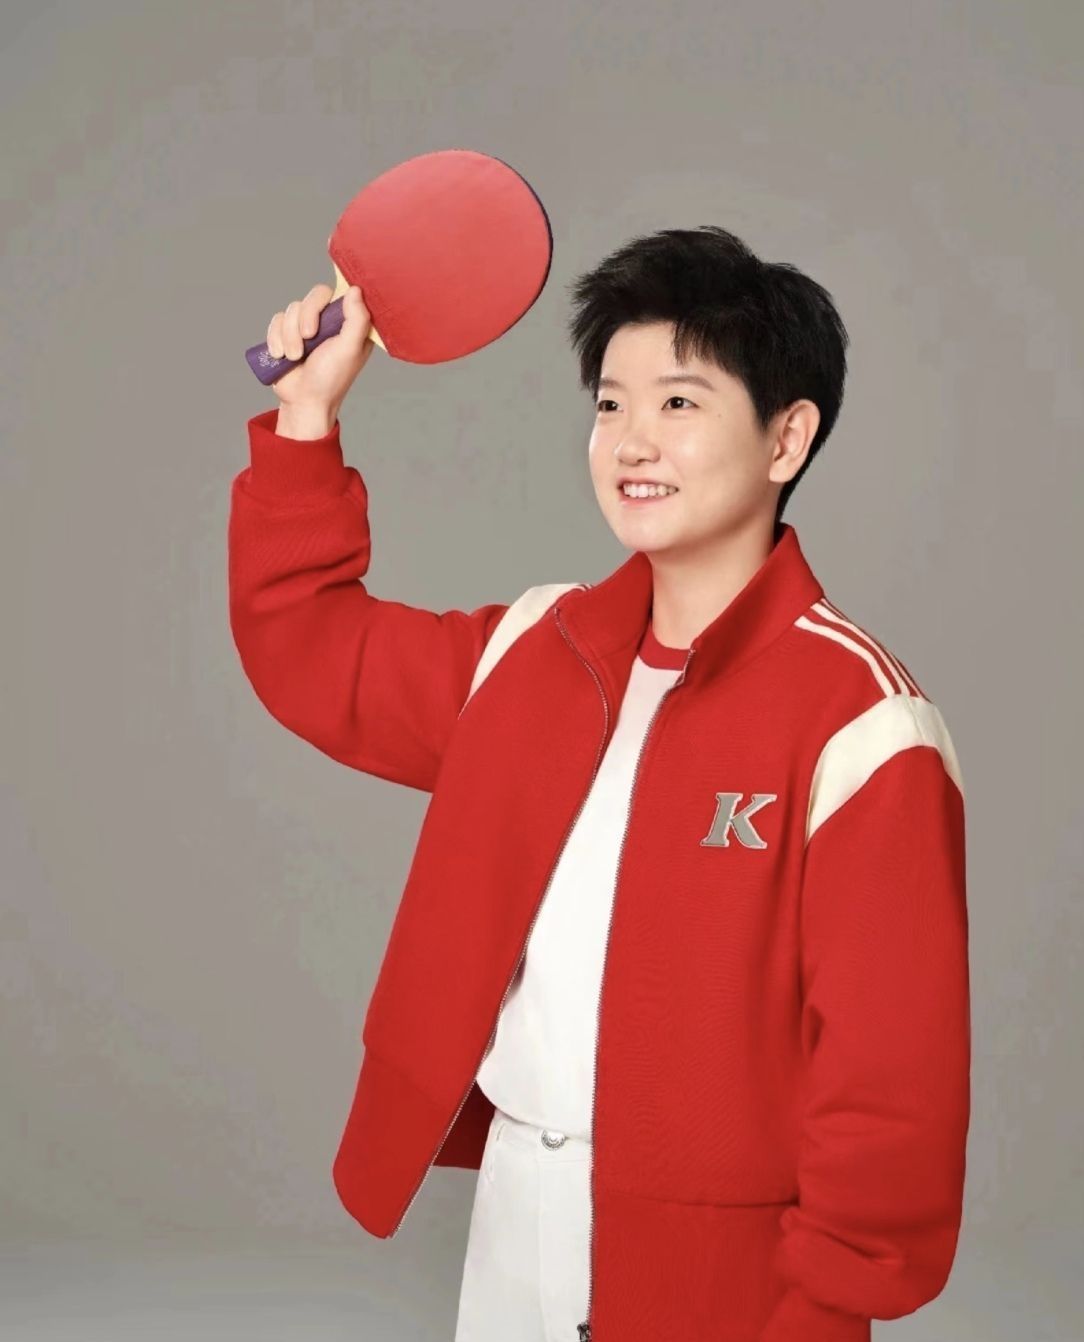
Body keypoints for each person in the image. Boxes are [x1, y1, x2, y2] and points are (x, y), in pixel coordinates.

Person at [228, 226, 970, 1342]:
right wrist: (306, 418)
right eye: (610, 403)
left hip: (726, 1263)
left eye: (678, 403)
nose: (632, 441)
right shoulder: (536, 648)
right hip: (515, 1212)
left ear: (786, 437)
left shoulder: (863, 723)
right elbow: (314, 652)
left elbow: (890, 1077)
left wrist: (827, 1305)